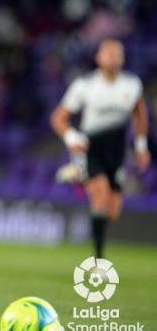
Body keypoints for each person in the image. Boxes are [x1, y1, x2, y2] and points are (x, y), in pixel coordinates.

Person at [51, 39, 151, 258]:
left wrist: (141, 146)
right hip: (90, 149)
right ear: (98, 57)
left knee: (112, 213)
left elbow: (140, 112)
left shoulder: (131, 84)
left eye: (118, 54)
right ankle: (98, 261)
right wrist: (70, 136)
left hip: (116, 154)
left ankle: (76, 175)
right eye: (110, 54)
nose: (114, 58)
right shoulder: (84, 85)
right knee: (101, 194)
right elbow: (58, 118)